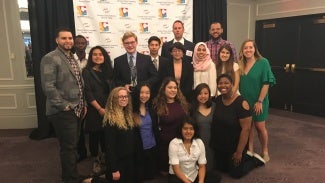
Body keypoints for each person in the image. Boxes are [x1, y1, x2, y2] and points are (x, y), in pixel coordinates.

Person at [40, 27, 86, 183]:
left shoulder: (71, 57)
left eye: (70, 38)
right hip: (63, 111)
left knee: (72, 147)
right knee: (68, 148)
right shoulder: (50, 58)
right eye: (64, 38)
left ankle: (71, 175)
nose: (68, 41)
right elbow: (48, 87)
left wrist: (82, 103)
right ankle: (70, 179)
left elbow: (79, 83)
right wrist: (64, 106)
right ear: (57, 40)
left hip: (77, 109)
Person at [211, 74, 265, 179]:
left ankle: (254, 161)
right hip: (221, 146)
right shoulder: (218, 100)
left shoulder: (241, 103)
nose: (223, 85)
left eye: (226, 83)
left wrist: (239, 152)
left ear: (232, 84)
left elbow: (246, 129)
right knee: (221, 169)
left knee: (235, 174)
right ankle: (245, 157)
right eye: (220, 83)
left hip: (235, 146)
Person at [238, 39, 276, 162]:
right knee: (247, 127)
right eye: (245, 48)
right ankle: (250, 149)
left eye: (250, 47)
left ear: (255, 49)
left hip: (259, 101)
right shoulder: (240, 64)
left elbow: (266, 82)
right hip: (245, 101)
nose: (248, 50)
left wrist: (259, 101)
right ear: (242, 51)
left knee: (260, 127)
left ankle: (265, 150)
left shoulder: (263, 62)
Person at [82, 46, 115, 173]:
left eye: (100, 54)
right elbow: (88, 93)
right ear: (91, 57)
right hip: (94, 109)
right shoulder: (87, 72)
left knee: (106, 136)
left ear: (104, 56)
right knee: (94, 136)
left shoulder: (108, 71)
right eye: (94, 54)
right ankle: (96, 160)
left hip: (109, 109)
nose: (98, 56)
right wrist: (100, 109)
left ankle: (106, 160)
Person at [153, 77, 189, 175]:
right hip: (165, 146)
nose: (173, 90)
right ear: (164, 89)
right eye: (170, 87)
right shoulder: (157, 105)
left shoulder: (182, 103)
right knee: (166, 175)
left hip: (182, 144)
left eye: (175, 88)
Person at [103, 87, 139, 183]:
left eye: (126, 96)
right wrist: (114, 169)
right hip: (118, 163)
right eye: (120, 97)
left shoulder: (127, 115)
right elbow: (110, 147)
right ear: (114, 99)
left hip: (129, 160)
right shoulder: (110, 120)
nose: (124, 99)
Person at [133, 83, 160, 181]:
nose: (144, 95)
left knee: (150, 177)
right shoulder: (131, 111)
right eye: (142, 92)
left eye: (147, 93)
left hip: (152, 148)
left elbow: (155, 129)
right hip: (138, 151)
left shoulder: (152, 110)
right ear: (137, 93)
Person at [168, 118, 207, 183]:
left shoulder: (199, 142)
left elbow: (202, 166)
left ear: (195, 130)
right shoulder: (174, 143)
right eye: (185, 129)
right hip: (178, 175)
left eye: (191, 129)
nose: (188, 131)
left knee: (216, 178)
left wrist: (201, 181)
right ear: (181, 130)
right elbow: (176, 168)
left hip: (193, 174)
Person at [190, 83, 215, 171]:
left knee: (210, 168)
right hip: (198, 141)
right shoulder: (192, 109)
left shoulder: (214, 106)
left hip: (212, 141)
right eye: (200, 93)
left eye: (205, 93)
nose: (203, 96)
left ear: (209, 94)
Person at [73, 34, 88, 162]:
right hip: (76, 98)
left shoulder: (91, 60)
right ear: (74, 44)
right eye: (78, 43)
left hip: (90, 96)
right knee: (78, 128)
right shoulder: (70, 60)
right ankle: (81, 152)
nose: (80, 45)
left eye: (83, 43)